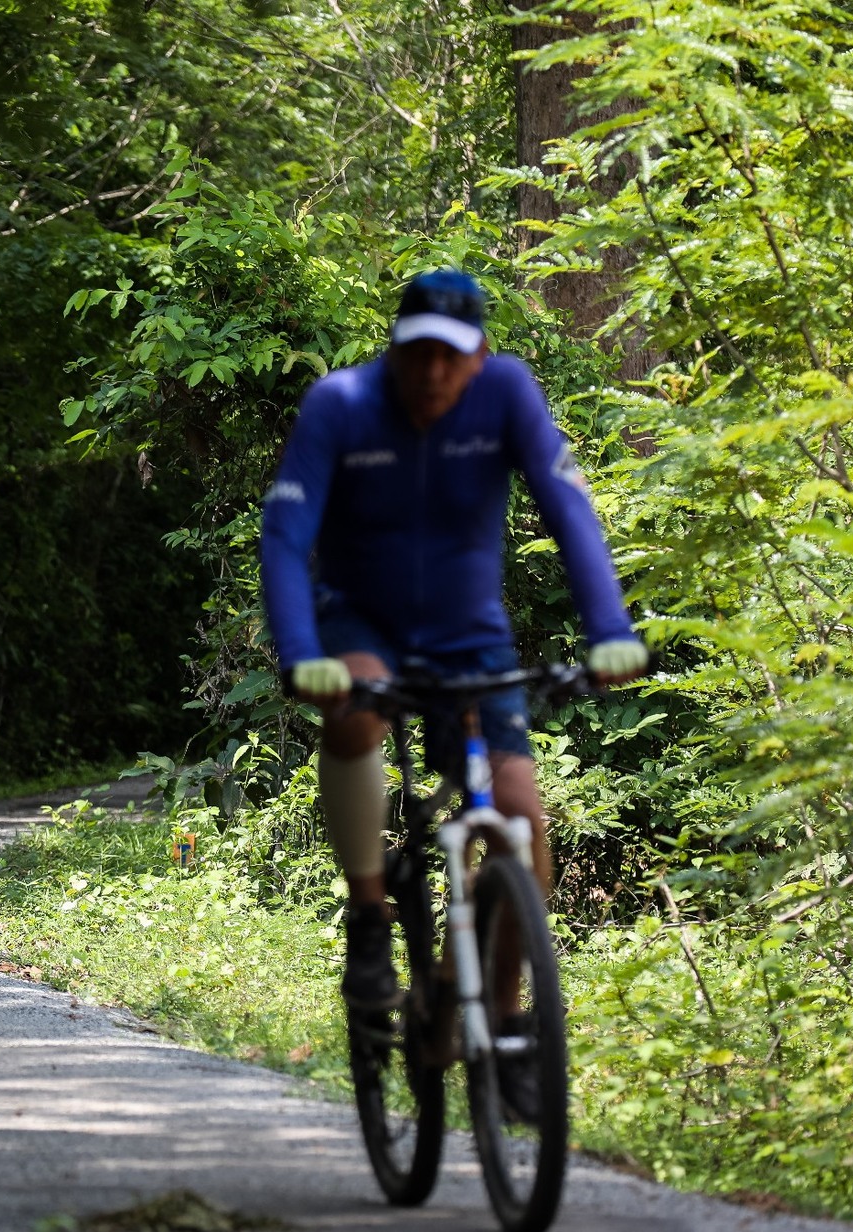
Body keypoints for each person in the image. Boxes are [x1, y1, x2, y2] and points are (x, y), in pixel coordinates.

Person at [260, 269, 648, 1106]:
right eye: (419, 353)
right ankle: (371, 918)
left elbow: (568, 508)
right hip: (360, 622)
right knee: (353, 712)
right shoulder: (340, 404)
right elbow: (285, 535)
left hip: (469, 639)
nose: (434, 372)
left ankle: (500, 1017)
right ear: (394, 349)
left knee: (521, 825)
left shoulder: (506, 393)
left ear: (480, 357)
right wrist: (300, 650)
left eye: (452, 356)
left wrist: (610, 628)